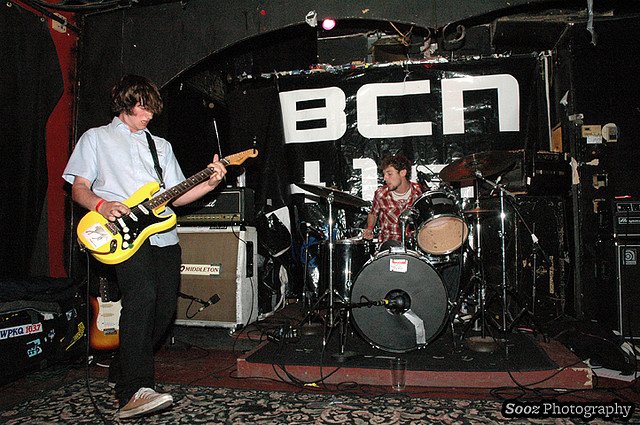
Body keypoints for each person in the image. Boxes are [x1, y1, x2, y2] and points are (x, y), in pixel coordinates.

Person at [62, 75, 227, 419]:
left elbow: (177, 197)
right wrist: (101, 205)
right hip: (121, 236)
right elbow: (79, 188)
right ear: (125, 104)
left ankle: (123, 366)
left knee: (163, 311)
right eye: (142, 108)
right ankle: (134, 390)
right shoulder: (96, 138)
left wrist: (210, 182)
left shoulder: (160, 146)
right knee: (143, 297)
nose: (149, 115)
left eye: (152, 109)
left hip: (163, 236)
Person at [363, 154, 422, 250]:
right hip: (388, 246)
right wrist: (369, 228)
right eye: (384, 174)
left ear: (403, 173)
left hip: (413, 247)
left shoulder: (419, 193)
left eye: (389, 174)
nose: (385, 178)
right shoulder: (381, 194)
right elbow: (373, 214)